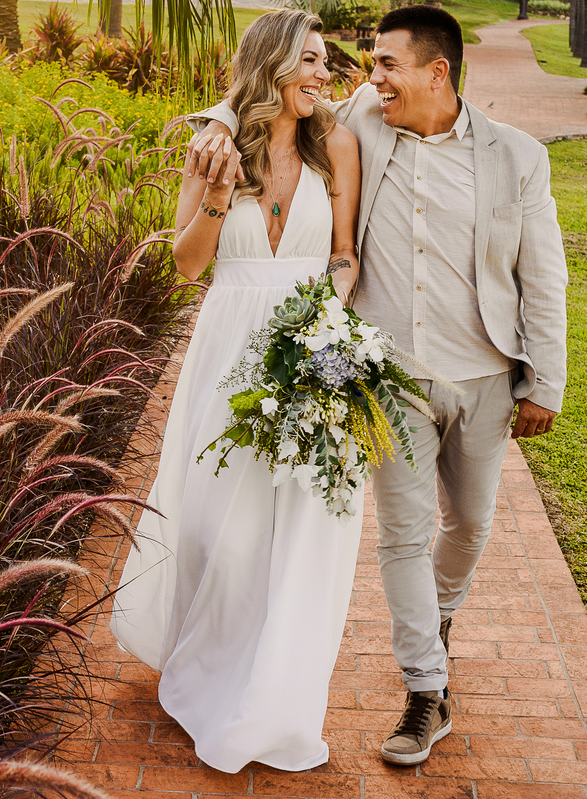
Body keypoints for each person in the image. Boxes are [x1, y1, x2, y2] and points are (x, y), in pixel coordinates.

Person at [185, 5, 568, 766]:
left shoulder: (518, 156)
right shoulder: (367, 118)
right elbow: (267, 83)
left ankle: (437, 619)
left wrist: (544, 380)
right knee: (401, 532)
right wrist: (220, 122)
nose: (369, 76)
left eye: (387, 63)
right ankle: (427, 690)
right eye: (368, 64)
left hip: (488, 374)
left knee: (470, 525)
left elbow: (543, 273)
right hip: (392, 375)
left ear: (438, 73)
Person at [108, 9, 364, 773]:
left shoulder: (337, 146)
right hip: (228, 349)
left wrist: (327, 331)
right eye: (309, 62)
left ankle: (276, 698)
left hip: (313, 351)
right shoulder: (213, 150)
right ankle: (209, 671)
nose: (323, 75)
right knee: (222, 524)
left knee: (301, 530)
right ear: (272, 66)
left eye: (325, 62)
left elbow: (345, 257)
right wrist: (218, 191)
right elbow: (188, 265)